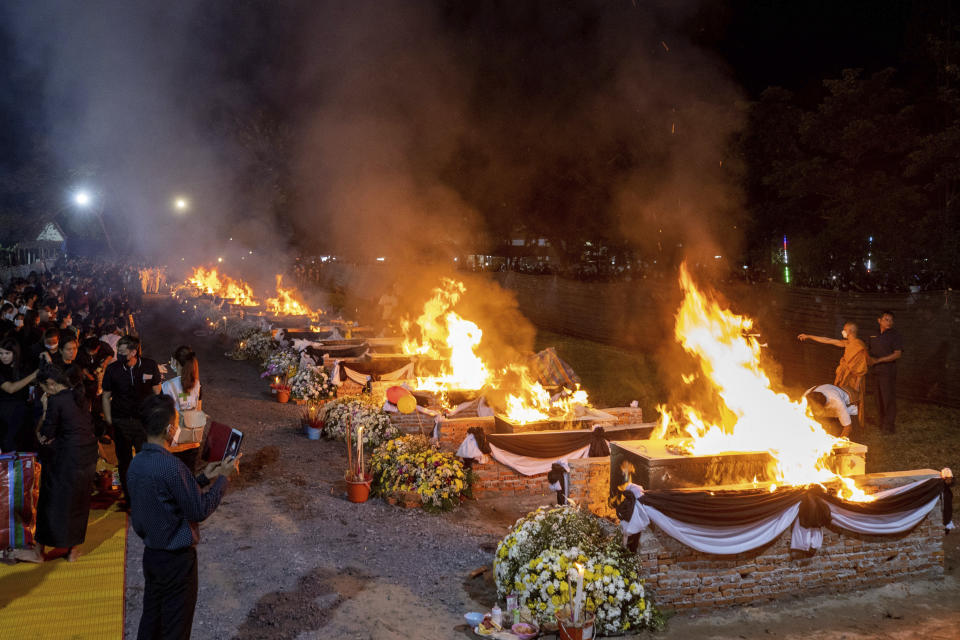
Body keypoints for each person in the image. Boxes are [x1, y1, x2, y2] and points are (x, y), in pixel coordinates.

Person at [128, 393, 238, 640]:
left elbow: (167, 496)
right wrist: (224, 478)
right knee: (176, 626)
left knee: (152, 620)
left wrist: (202, 478)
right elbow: (198, 509)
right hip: (177, 561)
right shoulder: (170, 466)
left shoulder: (136, 464)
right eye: (177, 422)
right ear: (169, 429)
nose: (178, 427)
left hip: (152, 556)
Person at [33, 362, 99, 562]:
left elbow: (47, 435)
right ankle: (72, 551)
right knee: (78, 503)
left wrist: (44, 411)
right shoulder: (78, 395)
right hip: (87, 456)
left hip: (67, 460)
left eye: (43, 388)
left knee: (50, 502)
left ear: (51, 384)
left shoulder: (57, 400)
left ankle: (38, 550)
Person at [102, 335, 162, 506]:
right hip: (121, 421)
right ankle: (130, 497)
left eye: (122, 351)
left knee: (146, 459)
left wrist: (159, 417)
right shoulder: (113, 369)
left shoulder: (150, 365)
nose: (119, 354)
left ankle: (147, 493)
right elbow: (106, 396)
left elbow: (157, 392)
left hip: (143, 422)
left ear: (134, 352)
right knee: (125, 461)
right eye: (118, 351)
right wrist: (109, 420)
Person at [161, 345, 203, 471]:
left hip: (174, 442)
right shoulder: (198, 385)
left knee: (174, 479)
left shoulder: (167, 386)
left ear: (175, 362)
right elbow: (198, 411)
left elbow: (164, 416)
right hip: (193, 439)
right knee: (189, 477)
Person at [797, 322, 868, 395]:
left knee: (852, 403)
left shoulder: (859, 346)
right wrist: (808, 336)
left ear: (850, 331)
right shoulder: (847, 343)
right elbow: (827, 340)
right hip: (844, 377)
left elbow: (862, 367)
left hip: (854, 380)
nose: (842, 331)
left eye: (844, 329)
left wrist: (857, 385)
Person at [868, 310, 903, 434]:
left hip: (888, 371)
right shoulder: (873, 334)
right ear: (879, 320)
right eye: (886, 319)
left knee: (888, 398)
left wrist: (879, 360)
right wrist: (869, 359)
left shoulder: (895, 335)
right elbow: (868, 350)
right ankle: (881, 423)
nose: (889, 322)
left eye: (891, 320)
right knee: (878, 398)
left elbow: (897, 354)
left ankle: (889, 427)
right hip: (875, 371)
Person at [0, 338, 37, 452]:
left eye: (7, 353)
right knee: (8, 443)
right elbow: (10, 388)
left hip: (22, 411)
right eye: (1, 353)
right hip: (5, 413)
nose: (3, 356)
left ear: (15, 353)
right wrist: (33, 375)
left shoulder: (22, 366)